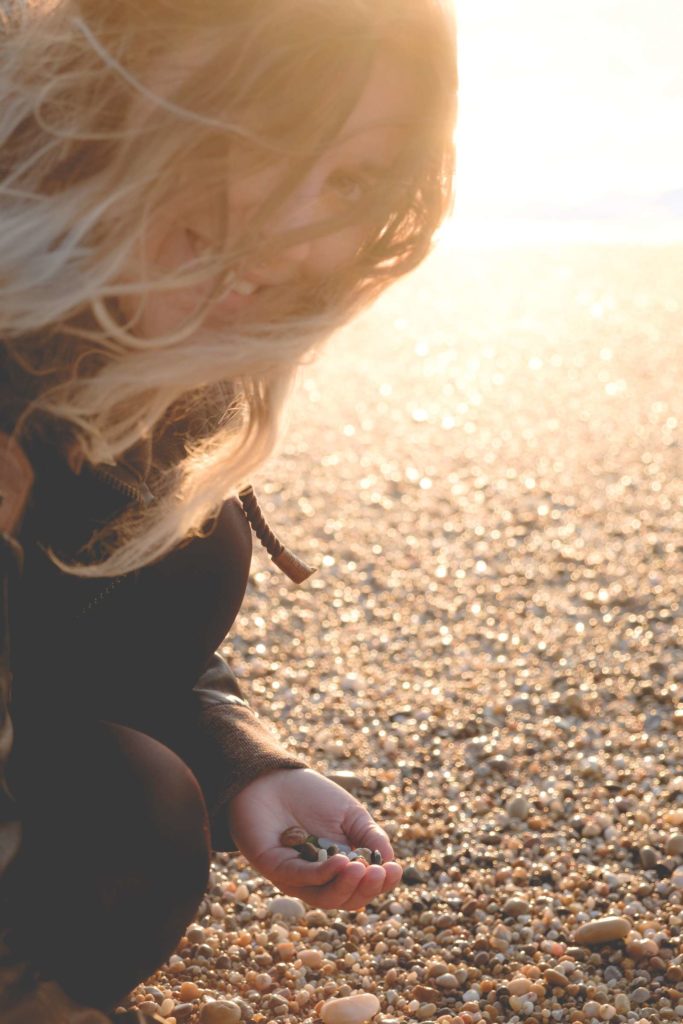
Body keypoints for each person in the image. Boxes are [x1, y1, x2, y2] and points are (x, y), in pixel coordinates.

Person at [0, 0, 457, 1019]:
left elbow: (73, 619)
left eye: (349, 178)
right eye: (269, 133)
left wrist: (237, 764)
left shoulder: (145, 324)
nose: (301, 229)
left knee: (129, 820)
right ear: (114, 82)